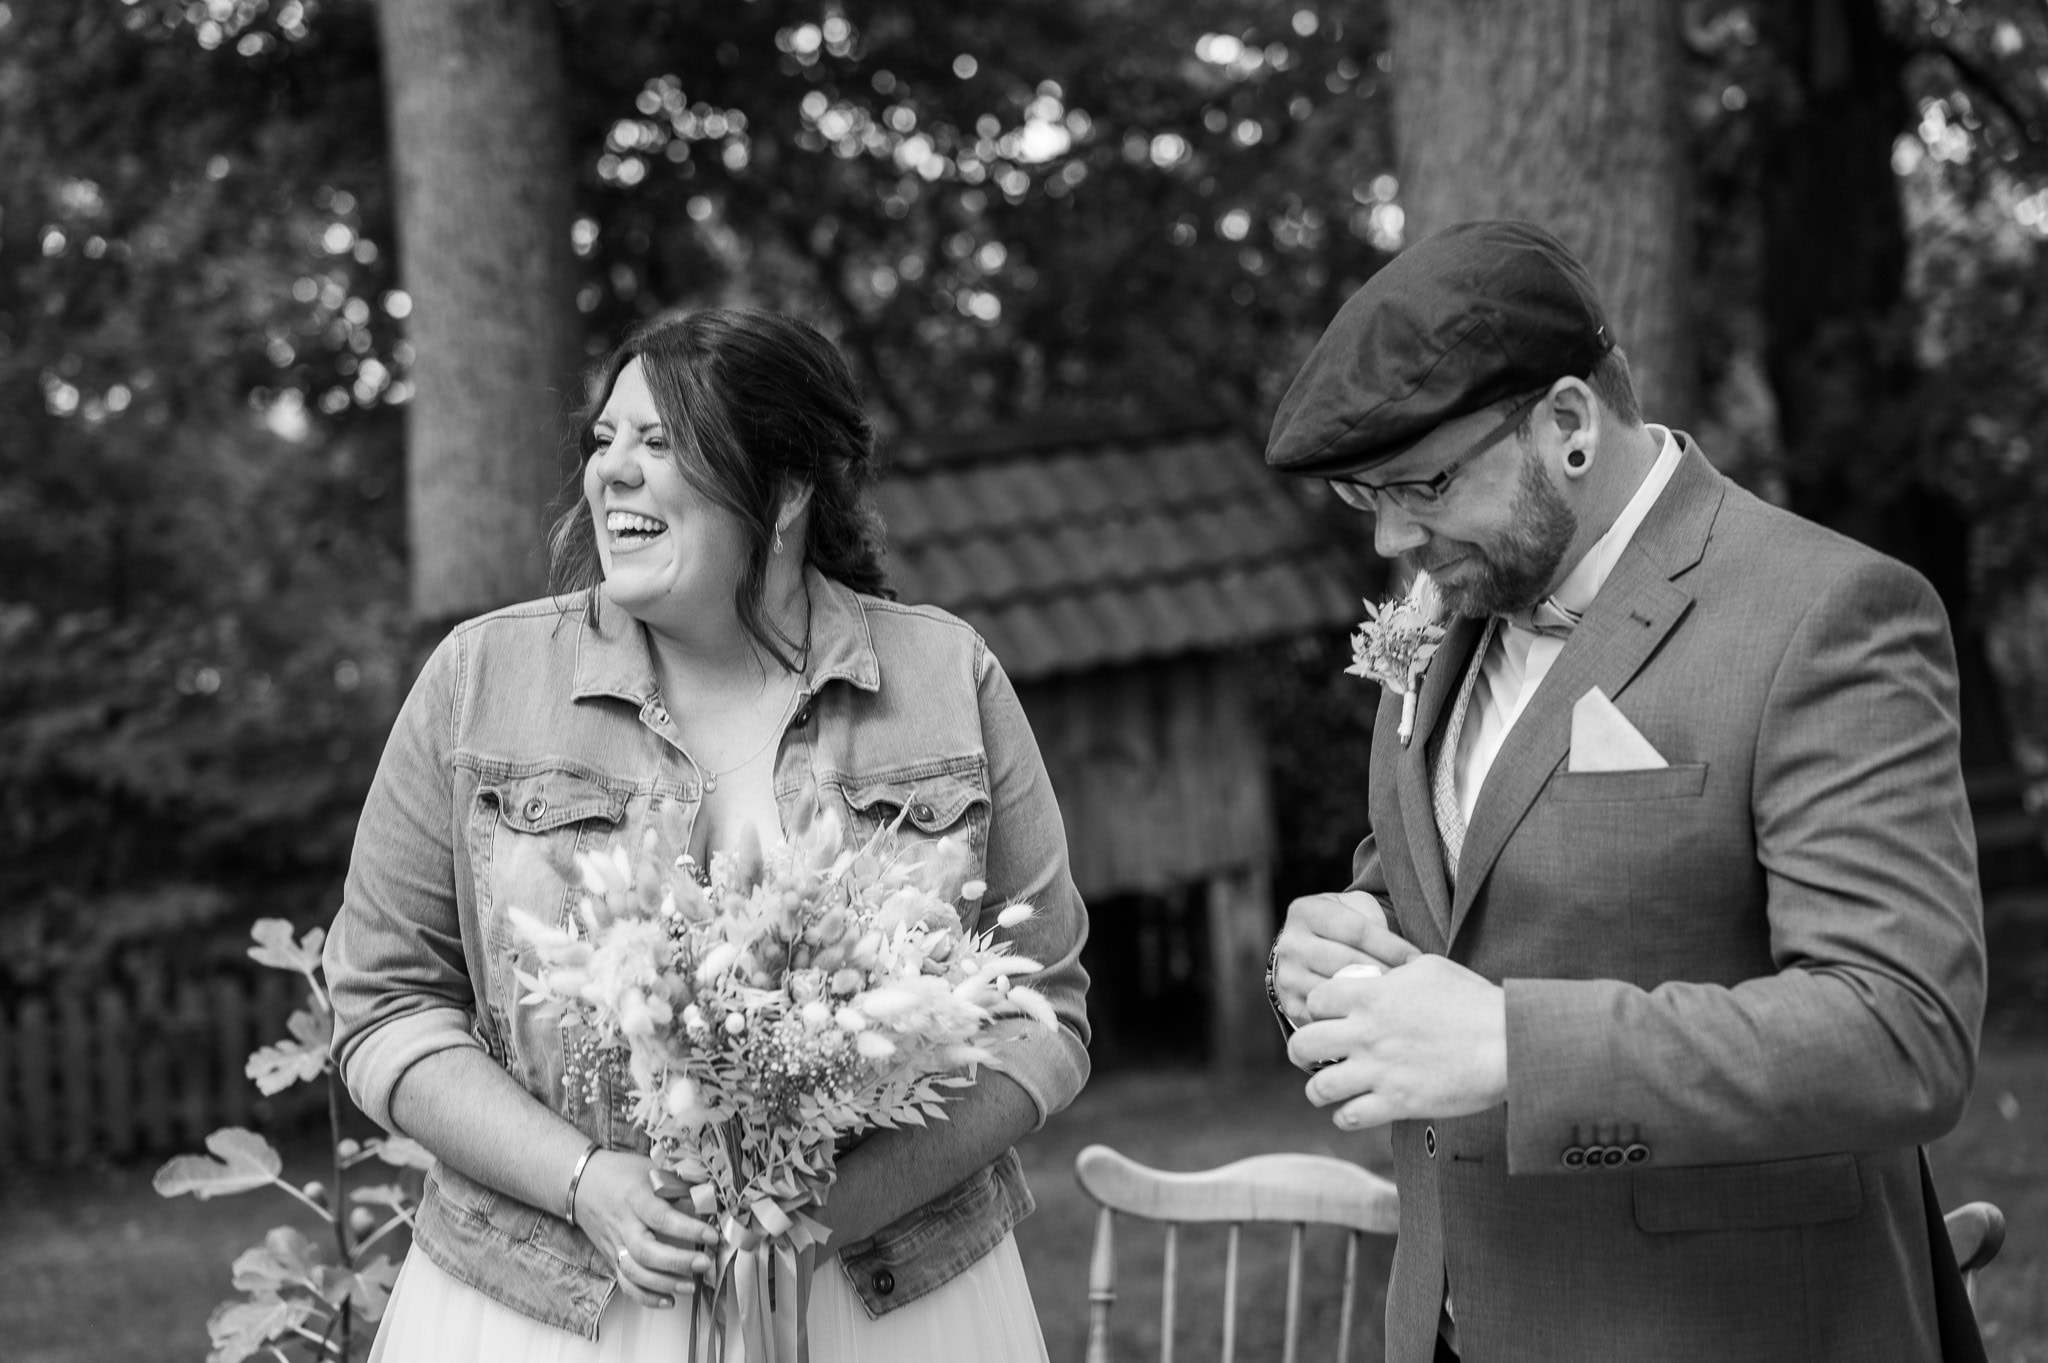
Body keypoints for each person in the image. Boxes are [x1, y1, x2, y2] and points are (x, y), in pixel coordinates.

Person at [1262, 221, 1986, 1362]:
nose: (1394, 540)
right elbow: (1452, 890)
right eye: (1368, 499)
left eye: (1422, 486)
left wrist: (1515, 1044)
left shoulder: (1828, 615)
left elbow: (1900, 1029)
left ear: (1567, 424)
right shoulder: (1449, 612)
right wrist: (1334, 943)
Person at [324, 308, 1090, 1362]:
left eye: (659, 441)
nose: (612, 470)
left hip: (881, 1304)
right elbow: (384, 1005)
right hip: (551, 1306)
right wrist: (582, 1180)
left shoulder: (946, 680)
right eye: (604, 440)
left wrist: (822, 1216)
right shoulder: (478, 682)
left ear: (785, 489)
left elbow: (1042, 1016)